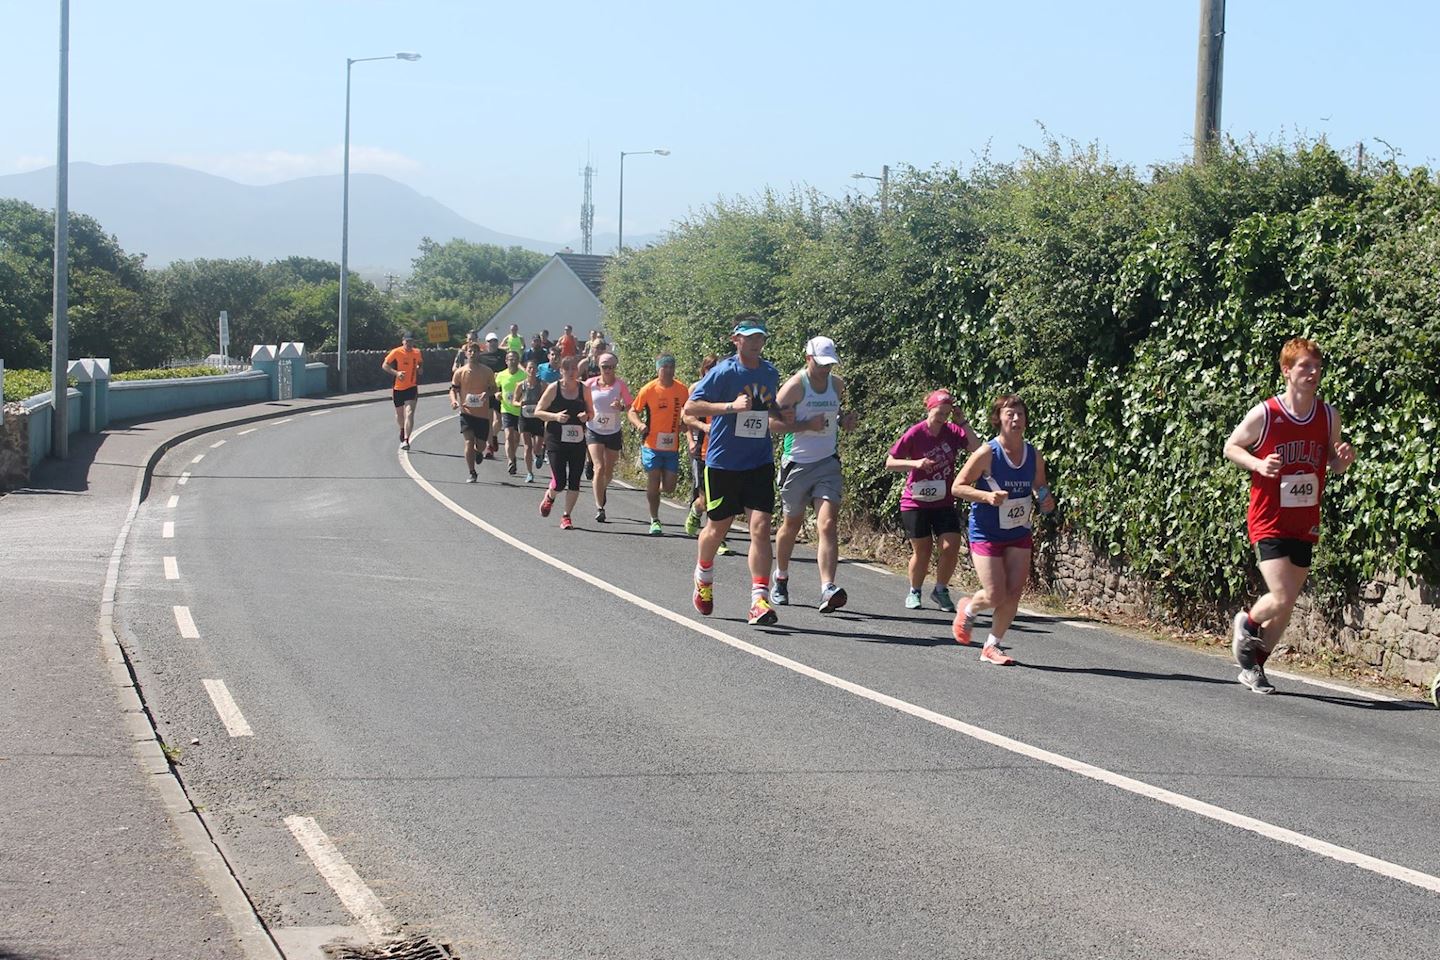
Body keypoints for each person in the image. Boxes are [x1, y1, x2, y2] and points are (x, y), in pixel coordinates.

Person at [1222, 337, 1354, 693]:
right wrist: (1258, 464)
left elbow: (1330, 461)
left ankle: (1254, 666)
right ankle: (1248, 624)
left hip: (1305, 519)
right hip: (1268, 517)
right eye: (1304, 367)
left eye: (1317, 367)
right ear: (1287, 371)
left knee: (1288, 604)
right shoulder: (1267, 413)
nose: (1313, 373)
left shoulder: (1328, 415)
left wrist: (1340, 462)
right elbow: (1231, 446)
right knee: (1279, 595)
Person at [684, 314, 785, 626]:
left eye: (761, 338)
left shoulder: (770, 372)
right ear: (736, 340)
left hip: (759, 460)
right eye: (751, 337)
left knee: (761, 527)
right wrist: (729, 407)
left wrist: (791, 417)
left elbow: (773, 408)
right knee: (718, 527)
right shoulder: (722, 372)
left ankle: (759, 599)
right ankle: (703, 576)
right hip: (723, 463)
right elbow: (690, 407)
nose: (757, 343)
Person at [950, 394, 1055, 665]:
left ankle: (992, 645)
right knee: (996, 594)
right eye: (1010, 413)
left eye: (1020, 414)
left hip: (1018, 531)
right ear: (999, 419)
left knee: (1014, 593)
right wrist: (986, 497)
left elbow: (1039, 485)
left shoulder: (1033, 454)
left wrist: (1044, 497)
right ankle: (970, 608)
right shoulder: (987, 453)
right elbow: (958, 487)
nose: (1016, 419)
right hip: (986, 532)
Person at [772, 336, 858, 612]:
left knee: (827, 523)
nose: (825, 370)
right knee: (791, 526)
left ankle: (827, 588)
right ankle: (781, 577)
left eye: (829, 364)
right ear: (808, 358)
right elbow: (771, 423)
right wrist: (805, 424)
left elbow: (834, 414)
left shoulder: (837, 384)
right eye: (821, 364)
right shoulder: (795, 387)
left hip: (827, 463)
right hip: (796, 463)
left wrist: (843, 422)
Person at [884, 389, 980, 611]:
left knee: (951, 545)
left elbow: (976, 449)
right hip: (915, 501)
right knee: (923, 550)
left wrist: (963, 421)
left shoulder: (953, 431)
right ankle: (914, 591)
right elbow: (890, 462)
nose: (943, 417)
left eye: (947, 413)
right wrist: (916, 464)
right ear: (929, 409)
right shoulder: (916, 433)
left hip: (943, 501)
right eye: (939, 412)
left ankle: (940, 589)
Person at [628, 354, 690, 535]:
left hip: (672, 446)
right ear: (658, 369)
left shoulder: (681, 389)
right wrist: (639, 424)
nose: (669, 370)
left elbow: (688, 409)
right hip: (651, 444)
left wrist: (685, 422)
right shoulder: (649, 389)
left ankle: (653, 491)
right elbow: (633, 411)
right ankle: (655, 519)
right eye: (665, 367)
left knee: (670, 487)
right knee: (653, 477)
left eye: (672, 367)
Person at [682, 355, 736, 555]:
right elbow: (686, 417)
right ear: (704, 370)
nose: (714, 370)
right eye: (711, 367)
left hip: (729, 452)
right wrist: (701, 429)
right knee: (708, 499)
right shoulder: (697, 389)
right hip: (705, 451)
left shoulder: (733, 390)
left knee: (726, 499)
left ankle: (718, 537)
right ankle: (698, 513)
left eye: (718, 367)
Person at [534, 356, 594, 530]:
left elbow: (592, 412)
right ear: (561, 371)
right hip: (556, 439)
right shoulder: (554, 389)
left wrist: (587, 416)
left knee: (575, 480)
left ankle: (566, 516)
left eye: (573, 369)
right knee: (560, 481)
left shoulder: (584, 389)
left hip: (577, 440)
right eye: (566, 369)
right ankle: (550, 497)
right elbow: (538, 411)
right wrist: (555, 417)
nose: (570, 372)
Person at [584, 353, 633, 522]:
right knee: (599, 467)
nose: (608, 370)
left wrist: (621, 407)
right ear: (599, 367)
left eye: (611, 367)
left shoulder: (620, 385)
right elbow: (580, 399)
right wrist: (584, 412)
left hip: (613, 432)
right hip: (594, 430)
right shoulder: (590, 384)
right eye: (604, 366)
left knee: (609, 472)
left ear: (615, 367)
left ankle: (601, 487)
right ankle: (600, 507)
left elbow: (630, 406)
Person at [449, 342, 499, 482]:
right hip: (466, 413)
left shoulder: (487, 371)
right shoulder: (460, 372)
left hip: (482, 415)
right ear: (466, 353)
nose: (472, 353)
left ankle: (478, 452)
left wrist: (486, 393)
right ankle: (472, 472)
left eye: (475, 351)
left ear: (479, 353)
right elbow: (453, 389)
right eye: (470, 351)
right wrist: (454, 401)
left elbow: (494, 388)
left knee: (481, 445)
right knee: (468, 442)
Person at [382, 332, 423, 450]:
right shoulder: (396, 352)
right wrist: (396, 373)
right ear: (403, 341)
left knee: (409, 412)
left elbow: (420, 365)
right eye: (407, 341)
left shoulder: (417, 352)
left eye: (411, 341)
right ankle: (402, 429)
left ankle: (406, 440)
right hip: (398, 387)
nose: (409, 344)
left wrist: (420, 369)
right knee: (400, 415)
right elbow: (384, 365)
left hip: (411, 387)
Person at [495, 351, 528, 476]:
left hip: (519, 410)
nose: (512, 361)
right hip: (506, 409)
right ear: (506, 361)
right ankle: (510, 461)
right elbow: (495, 388)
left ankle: (513, 455)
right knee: (508, 435)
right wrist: (497, 394)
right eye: (510, 359)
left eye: (514, 359)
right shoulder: (501, 375)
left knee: (516, 438)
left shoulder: (523, 375)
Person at [514, 359, 546, 483]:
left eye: (534, 368)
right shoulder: (520, 385)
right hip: (525, 417)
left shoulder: (542, 384)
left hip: (538, 418)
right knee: (527, 446)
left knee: (536, 447)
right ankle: (529, 473)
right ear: (526, 370)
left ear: (537, 370)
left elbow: (547, 399)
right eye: (529, 368)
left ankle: (539, 454)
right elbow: (514, 401)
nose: (532, 371)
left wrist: (541, 405)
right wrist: (520, 403)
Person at [477, 333, 507, 459]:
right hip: (488, 391)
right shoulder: (482, 357)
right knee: (489, 420)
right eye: (490, 341)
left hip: (501, 391)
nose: (493, 343)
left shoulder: (503, 355)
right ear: (486, 343)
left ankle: (493, 436)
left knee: (499, 420)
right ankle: (490, 447)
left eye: (495, 341)